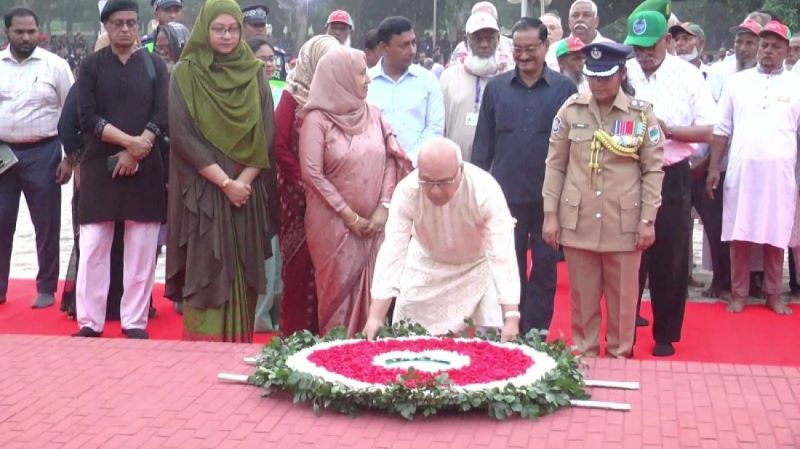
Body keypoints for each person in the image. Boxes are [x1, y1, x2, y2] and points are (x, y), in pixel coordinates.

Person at [543, 42, 665, 358]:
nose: (597, 83)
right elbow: (555, 165)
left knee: (623, 302)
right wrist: (550, 215)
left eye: (605, 76)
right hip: (579, 219)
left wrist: (648, 220)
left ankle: (619, 357)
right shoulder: (571, 110)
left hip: (623, 222)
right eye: (592, 76)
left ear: (622, 74)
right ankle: (584, 359)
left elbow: (653, 170)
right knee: (582, 302)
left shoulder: (640, 114)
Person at [165, 0, 276, 342]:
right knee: (206, 271)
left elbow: (266, 133)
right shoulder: (185, 74)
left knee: (243, 267)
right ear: (204, 29)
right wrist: (225, 183)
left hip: (246, 190)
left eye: (232, 29)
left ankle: (238, 348)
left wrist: (242, 182)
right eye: (218, 29)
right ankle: (202, 355)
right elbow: (183, 136)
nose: (226, 36)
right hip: (204, 191)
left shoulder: (254, 72)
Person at [472, 17, 578, 335]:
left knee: (545, 266)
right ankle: (510, 326)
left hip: (549, 198)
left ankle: (537, 331)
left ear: (545, 46)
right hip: (506, 196)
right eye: (518, 49)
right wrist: (476, 191)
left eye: (531, 48)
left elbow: (574, 146)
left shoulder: (565, 89)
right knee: (508, 264)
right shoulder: (496, 88)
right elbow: (483, 145)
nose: (524, 55)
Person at [624, 6, 717, 356]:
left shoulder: (688, 76)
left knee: (671, 255)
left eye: (650, 46)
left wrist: (668, 130)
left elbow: (709, 130)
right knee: (628, 254)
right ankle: (624, 330)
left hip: (671, 173)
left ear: (667, 40)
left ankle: (665, 333)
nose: (643, 55)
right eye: (637, 47)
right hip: (628, 173)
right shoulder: (624, 72)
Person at [363, 138, 520, 340]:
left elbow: (502, 254)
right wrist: (375, 316)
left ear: (460, 170)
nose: (435, 190)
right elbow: (393, 250)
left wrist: (511, 317)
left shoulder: (485, 190)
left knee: (489, 341)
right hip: (426, 266)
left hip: (478, 268)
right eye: (427, 181)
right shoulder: (407, 191)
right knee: (407, 338)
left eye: (444, 182)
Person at [300, 47, 409, 336]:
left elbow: (392, 160)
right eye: (361, 73)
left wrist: (383, 208)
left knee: (376, 289)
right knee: (336, 298)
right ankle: (337, 354)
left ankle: (370, 355)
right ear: (340, 77)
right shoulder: (316, 120)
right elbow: (312, 173)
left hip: (375, 225)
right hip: (333, 226)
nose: (368, 79)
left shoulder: (374, 114)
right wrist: (349, 216)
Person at [75, 0, 168, 339]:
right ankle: (90, 321)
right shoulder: (91, 66)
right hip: (100, 164)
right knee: (94, 244)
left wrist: (140, 147)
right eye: (118, 23)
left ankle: (134, 321)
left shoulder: (155, 65)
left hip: (146, 165)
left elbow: (162, 113)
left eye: (131, 22)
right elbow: (87, 118)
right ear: (106, 27)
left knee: (142, 245)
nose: (126, 29)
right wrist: (130, 143)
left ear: (139, 25)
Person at [706, 21, 799, 316]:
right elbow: (722, 129)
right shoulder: (737, 83)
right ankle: (739, 293)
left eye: (775, 46)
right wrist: (713, 167)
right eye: (764, 45)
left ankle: (773, 294)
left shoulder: (796, 84)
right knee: (739, 232)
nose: (768, 50)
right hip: (741, 172)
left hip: (781, 174)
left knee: (776, 234)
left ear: (786, 50)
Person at [0, 7, 74, 308]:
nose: (26, 37)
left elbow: (72, 113)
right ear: (7, 32)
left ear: (39, 31)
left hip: (44, 152)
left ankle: (46, 287)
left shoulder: (55, 66)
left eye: (31, 31)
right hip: (3, 154)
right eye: (19, 31)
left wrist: (70, 158)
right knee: (1, 221)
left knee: (46, 223)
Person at [274, 35, 339, 336]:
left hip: (334, 199)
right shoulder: (294, 95)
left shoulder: (343, 96)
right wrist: (306, 183)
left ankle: (330, 337)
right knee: (299, 268)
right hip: (297, 197)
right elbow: (278, 144)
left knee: (330, 268)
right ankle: (295, 336)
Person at [368, 16, 444, 165]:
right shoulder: (366, 82)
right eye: (404, 45)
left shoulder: (428, 81)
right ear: (384, 47)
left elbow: (435, 129)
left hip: (417, 168)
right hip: (375, 167)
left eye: (413, 43)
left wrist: (409, 161)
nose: (412, 51)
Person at [247, 36, 284, 332]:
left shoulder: (284, 92)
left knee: (277, 249)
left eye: (271, 58)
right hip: (251, 179)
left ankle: (273, 310)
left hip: (280, 180)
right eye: (263, 59)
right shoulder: (242, 94)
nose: (269, 64)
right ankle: (256, 314)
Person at [440, 12, 505, 162]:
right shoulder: (448, 77)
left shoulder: (509, 77)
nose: (484, 45)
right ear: (466, 41)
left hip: (497, 167)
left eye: (490, 38)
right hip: (455, 165)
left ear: (498, 39)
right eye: (477, 39)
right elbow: (439, 126)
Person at [545, 0, 613, 70]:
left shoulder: (611, 50)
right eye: (575, 15)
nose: (580, 19)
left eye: (586, 15)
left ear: (596, 21)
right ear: (569, 22)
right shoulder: (553, 51)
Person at [449, 2, 514, 74]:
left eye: (488, 17)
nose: (484, 45)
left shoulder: (511, 46)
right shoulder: (460, 48)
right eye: (478, 17)